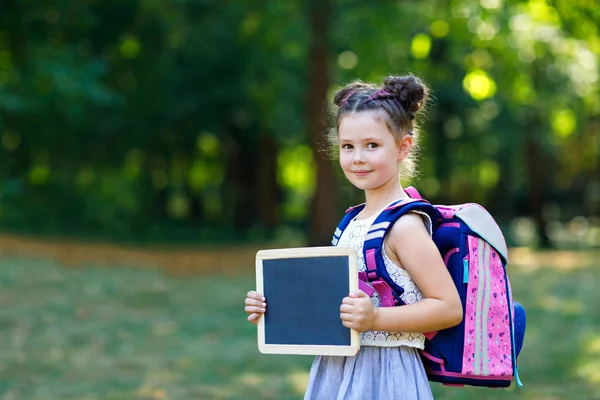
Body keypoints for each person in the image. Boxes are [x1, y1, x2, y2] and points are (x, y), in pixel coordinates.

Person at [244, 74, 463, 400]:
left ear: (403, 147)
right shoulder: (351, 220)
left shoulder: (404, 225)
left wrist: (376, 318)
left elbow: (448, 308)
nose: (357, 157)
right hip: (335, 370)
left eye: (371, 145)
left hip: (385, 375)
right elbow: (333, 301)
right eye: (348, 146)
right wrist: (273, 308)